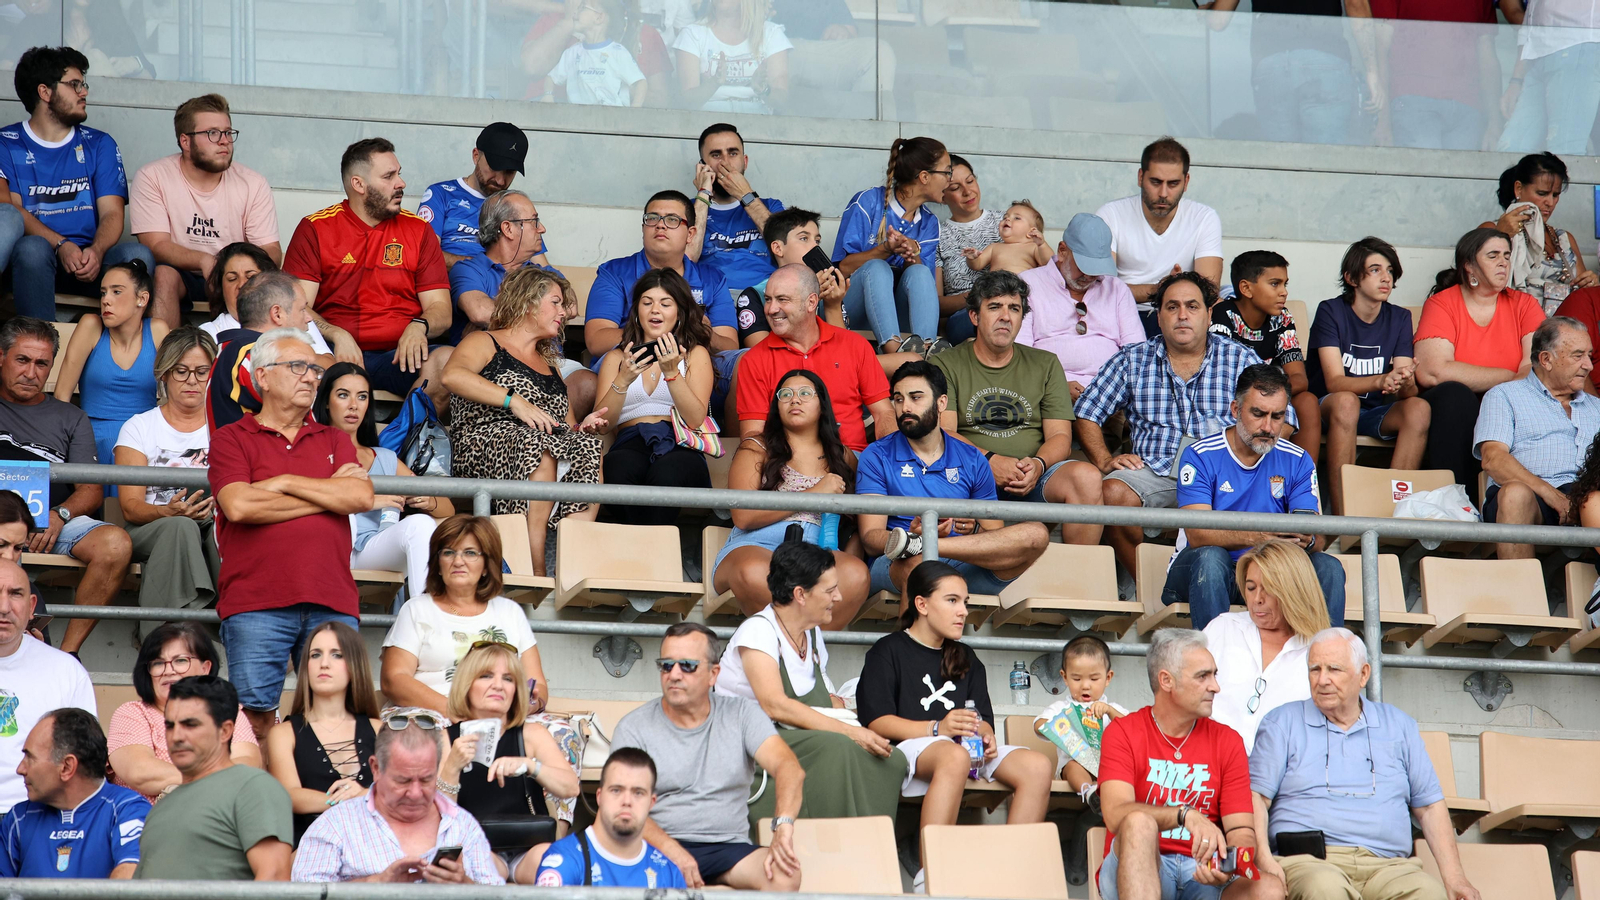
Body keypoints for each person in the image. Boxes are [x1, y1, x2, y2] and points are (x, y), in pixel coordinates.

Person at [210, 326, 375, 747]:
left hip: (331, 598)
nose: (311, 377)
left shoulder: (333, 437)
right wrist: (327, 495)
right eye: (298, 366)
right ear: (262, 376)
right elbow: (239, 506)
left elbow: (359, 496)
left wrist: (283, 483)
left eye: (314, 370)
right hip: (256, 601)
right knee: (252, 721)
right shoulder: (231, 438)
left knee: (336, 720)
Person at [857, 561, 1054, 892]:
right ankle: (931, 876)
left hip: (961, 748)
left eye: (965, 601)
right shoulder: (888, 650)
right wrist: (937, 729)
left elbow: (983, 719)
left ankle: (1013, 876)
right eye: (952, 601)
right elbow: (877, 721)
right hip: (908, 748)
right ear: (921, 604)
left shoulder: (966, 656)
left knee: (1037, 766)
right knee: (954, 755)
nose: (963, 610)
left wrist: (987, 736)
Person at [1075, 272, 1283, 578]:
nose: (1182, 315)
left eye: (1192, 306)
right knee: (1113, 493)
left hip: (1223, 473)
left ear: (1209, 315)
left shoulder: (1239, 358)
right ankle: (1153, 587)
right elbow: (1086, 411)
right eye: (1172, 307)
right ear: (1158, 317)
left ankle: (1227, 583)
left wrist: (1247, 463)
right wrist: (1104, 460)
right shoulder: (1133, 359)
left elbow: (1286, 418)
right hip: (1157, 473)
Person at [379, 515, 580, 829]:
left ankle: (554, 836)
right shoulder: (417, 609)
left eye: (470, 553)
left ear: (487, 565)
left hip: (501, 712)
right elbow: (394, 679)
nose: (458, 560)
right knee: (417, 733)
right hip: (437, 710)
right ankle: (427, 832)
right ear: (437, 563)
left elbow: (537, 683)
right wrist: (456, 711)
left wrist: (527, 702)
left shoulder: (509, 612)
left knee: (561, 732)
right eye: (448, 552)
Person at [1251, 628, 1482, 900]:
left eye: (1334, 669)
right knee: (1325, 889)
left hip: (1388, 866)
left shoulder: (1399, 725)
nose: (1322, 680)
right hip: (1310, 863)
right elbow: (1255, 798)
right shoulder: (1282, 723)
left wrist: (1455, 878)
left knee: (1428, 893)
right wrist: (1264, 859)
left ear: (1363, 674)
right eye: (1315, 669)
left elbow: (1430, 807)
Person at [715, 540, 908, 822]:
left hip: (794, 734)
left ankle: (870, 841)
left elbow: (819, 696)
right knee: (838, 747)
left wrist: (852, 717)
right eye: (830, 590)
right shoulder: (758, 631)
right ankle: (834, 840)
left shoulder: (812, 634)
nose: (838, 597)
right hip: (752, 744)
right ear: (800, 594)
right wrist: (851, 732)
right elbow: (775, 705)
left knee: (891, 759)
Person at [611, 622, 803, 891]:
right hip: (655, 846)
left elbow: (788, 767)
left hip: (729, 847)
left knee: (785, 875)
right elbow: (622, 805)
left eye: (687, 665)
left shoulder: (742, 714)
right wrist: (674, 853)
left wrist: (783, 826)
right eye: (666, 665)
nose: (674, 674)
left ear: (714, 674)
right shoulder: (634, 727)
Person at [443, 268, 606, 575]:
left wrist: (582, 427)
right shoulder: (485, 341)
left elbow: (565, 424)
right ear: (528, 303)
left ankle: (572, 565)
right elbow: (452, 376)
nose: (563, 312)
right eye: (555, 302)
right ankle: (534, 568)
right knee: (538, 445)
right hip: (481, 444)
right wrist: (514, 401)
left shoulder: (550, 365)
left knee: (587, 446)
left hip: (534, 444)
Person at [1095, 629, 1275, 900]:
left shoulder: (1228, 741)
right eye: (1203, 676)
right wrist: (1185, 815)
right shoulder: (1123, 732)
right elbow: (1115, 814)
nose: (1215, 687)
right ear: (1166, 680)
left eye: (1214, 675)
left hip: (1204, 874)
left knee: (1269, 889)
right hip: (1143, 864)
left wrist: (1228, 865)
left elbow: (1240, 830)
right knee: (1138, 823)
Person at [1166, 365, 1345, 630]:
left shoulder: (1297, 459)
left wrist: (1306, 539)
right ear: (1236, 410)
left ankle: (1326, 653)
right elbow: (1198, 534)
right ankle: (1212, 655)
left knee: (1328, 567)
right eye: (1258, 414)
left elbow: (1316, 536)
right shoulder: (1200, 454)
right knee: (1211, 559)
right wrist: (1260, 537)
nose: (1268, 427)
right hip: (1207, 572)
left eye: (1277, 416)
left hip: (1272, 574)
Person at [934, 270, 1103, 546]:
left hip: (1032, 475)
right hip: (969, 475)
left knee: (1086, 477)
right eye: (994, 307)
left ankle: (1077, 571)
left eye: (1014, 308)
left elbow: (1060, 436)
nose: (1006, 316)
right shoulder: (945, 364)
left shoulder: (1046, 364)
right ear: (974, 316)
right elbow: (945, 433)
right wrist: (990, 461)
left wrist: (1037, 465)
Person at [857, 361, 1050, 603]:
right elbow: (871, 538)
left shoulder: (972, 459)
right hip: (899, 561)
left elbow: (995, 537)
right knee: (921, 567)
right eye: (898, 399)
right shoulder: (876, 455)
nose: (905, 407)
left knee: (1036, 534)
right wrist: (910, 539)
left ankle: (927, 546)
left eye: (916, 397)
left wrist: (971, 530)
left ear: (941, 403)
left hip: (962, 561)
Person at [282, 138, 453, 408]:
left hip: (399, 355)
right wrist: (337, 334)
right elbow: (294, 307)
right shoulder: (315, 228)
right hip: (332, 352)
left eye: (399, 173)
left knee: (451, 362)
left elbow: (442, 310)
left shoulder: (419, 230)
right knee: (290, 363)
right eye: (389, 176)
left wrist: (419, 325)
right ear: (359, 184)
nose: (401, 183)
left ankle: (402, 433)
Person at [0, 317, 132, 656]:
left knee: (115, 544)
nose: (31, 372)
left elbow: (91, 489)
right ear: (1, 356)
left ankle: (67, 655)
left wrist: (60, 515)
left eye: (42, 363)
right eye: (22, 360)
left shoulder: (70, 417)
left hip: (50, 522)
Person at [1, 46, 161, 324]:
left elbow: (112, 214)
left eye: (83, 84)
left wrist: (96, 251)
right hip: (33, 264)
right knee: (32, 248)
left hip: (91, 262)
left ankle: (122, 348)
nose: (84, 92)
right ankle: (41, 342)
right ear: (45, 92)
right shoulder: (7, 142)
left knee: (137, 254)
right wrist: (61, 245)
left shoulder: (99, 143)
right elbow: (9, 209)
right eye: (75, 84)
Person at [717, 370, 870, 623]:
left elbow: (856, 521)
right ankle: (795, 642)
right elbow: (743, 516)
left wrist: (847, 556)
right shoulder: (757, 446)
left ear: (822, 404)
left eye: (805, 393)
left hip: (818, 553)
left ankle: (804, 645)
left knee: (856, 574)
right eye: (785, 394)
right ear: (777, 406)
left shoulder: (843, 457)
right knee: (754, 571)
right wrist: (813, 494)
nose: (794, 399)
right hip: (758, 545)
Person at [290, 708, 500, 883]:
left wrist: (465, 886)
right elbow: (305, 896)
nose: (415, 794)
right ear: (375, 768)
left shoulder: (462, 825)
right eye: (403, 781)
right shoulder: (334, 826)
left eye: (426, 780)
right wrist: (375, 884)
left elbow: (498, 895)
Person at [1414, 228, 1543, 502]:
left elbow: (1535, 365)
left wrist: (1504, 388)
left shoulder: (1524, 305)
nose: (1503, 263)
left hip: (1508, 402)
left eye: (1506, 255)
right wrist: (1507, 376)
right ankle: (1457, 502)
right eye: (1493, 256)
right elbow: (1433, 371)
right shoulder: (1442, 304)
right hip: (1453, 406)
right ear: (1469, 266)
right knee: (1456, 395)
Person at [130, 93, 281, 317]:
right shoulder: (153, 176)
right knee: (163, 275)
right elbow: (156, 245)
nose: (224, 140)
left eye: (228, 132)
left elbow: (271, 250)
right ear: (185, 141)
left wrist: (235, 270)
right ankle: (166, 342)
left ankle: (240, 339)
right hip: (182, 273)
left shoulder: (253, 183)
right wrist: (204, 260)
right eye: (212, 133)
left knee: (252, 279)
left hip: (234, 273)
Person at [1309, 237, 1430, 516]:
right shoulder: (1331, 311)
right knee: (1346, 402)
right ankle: (1343, 521)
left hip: (1372, 412)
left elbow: (1407, 392)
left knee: (1419, 408)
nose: (1386, 278)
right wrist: (1381, 380)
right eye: (1375, 270)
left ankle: (1395, 517)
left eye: (1390, 271)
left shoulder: (1399, 317)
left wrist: (1405, 380)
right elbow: (1334, 382)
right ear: (1351, 278)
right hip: (1329, 408)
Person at [439, 643, 579, 882]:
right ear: (466, 685)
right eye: (486, 676)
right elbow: (439, 814)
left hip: (530, 846)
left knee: (557, 865)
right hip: (476, 846)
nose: (498, 685)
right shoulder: (446, 738)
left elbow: (571, 787)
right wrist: (452, 766)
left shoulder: (531, 734)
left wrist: (530, 766)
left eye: (508, 679)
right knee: (471, 865)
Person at [313, 362, 451, 599]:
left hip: (370, 550)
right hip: (326, 548)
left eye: (362, 396)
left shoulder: (385, 458)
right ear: (326, 401)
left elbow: (447, 508)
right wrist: (369, 500)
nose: (353, 405)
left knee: (421, 524)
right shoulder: (310, 450)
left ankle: (424, 613)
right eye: (343, 395)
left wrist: (429, 501)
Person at [134, 676, 293, 880]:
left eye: (190, 724)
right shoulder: (162, 807)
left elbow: (274, 877)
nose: (177, 736)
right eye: (170, 726)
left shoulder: (253, 787)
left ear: (225, 731)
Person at [594, 268, 715, 527]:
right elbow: (603, 424)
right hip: (629, 440)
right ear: (637, 311)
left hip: (680, 442)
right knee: (617, 468)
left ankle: (646, 543)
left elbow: (695, 419)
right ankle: (647, 542)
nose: (655, 310)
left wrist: (672, 374)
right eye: (647, 302)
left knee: (667, 473)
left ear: (679, 312)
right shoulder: (617, 358)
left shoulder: (695, 354)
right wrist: (623, 379)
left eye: (665, 303)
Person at [1475, 316, 1600, 560]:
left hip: (1590, 500)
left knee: (1594, 501)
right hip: (1532, 498)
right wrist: (1553, 496)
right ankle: (1518, 585)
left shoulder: (1597, 408)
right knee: (1515, 494)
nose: (1588, 366)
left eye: (1589, 355)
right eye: (1577, 356)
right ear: (1546, 359)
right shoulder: (1504, 396)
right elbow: (1493, 459)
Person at [113, 327, 220, 610]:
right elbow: (130, 508)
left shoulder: (227, 428)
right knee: (181, 527)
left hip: (211, 524)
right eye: (181, 371)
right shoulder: (139, 427)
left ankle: (231, 617)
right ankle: (174, 624)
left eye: (202, 372)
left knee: (223, 529)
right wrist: (167, 512)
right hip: (151, 527)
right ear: (164, 374)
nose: (192, 381)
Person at [735, 264, 892, 452]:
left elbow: (884, 413)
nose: (771, 309)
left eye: (782, 299)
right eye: (768, 299)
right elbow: (753, 435)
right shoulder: (754, 360)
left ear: (811, 302)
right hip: (787, 462)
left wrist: (890, 462)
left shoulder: (855, 345)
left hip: (850, 459)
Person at [107, 622, 262, 802]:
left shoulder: (228, 712)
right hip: (149, 816)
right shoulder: (132, 713)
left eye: (180, 660)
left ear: (205, 668)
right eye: (158, 663)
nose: (168, 671)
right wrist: (216, 776)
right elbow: (141, 773)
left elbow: (248, 764)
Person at [1200, 540, 1330, 754]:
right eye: (1251, 588)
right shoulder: (1223, 628)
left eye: (1268, 589)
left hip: (1283, 770)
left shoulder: (1321, 650)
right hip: (1210, 761)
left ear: (1294, 591)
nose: (1257, 599)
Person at [585, 190, 738, 363]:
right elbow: (596, 341)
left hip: (696, 364)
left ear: (690, 234)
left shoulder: (712, 279)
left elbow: (730, 346)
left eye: (672, 219)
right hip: (633, 361)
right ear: (643, 229)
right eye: (652, 218)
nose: (660, 225)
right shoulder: (614, 272)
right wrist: (659, 332)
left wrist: (704, 332)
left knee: (741, 360)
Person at [1094, 138, 1224, 337]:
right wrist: (1159, 289)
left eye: (1173, 184)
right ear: (1140, 177)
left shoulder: (1204, 218)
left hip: (1179, 315)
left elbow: (1209, 292)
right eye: (1155, 182)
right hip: (1122, 312)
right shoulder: (1110, 214)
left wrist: (1168, 293)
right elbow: (1102, 288)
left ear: (1186, 182)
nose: (1163, 193)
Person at [265, 622, 381, 845]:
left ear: (354, 664)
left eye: (337, 655)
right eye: (315, 655)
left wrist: (363, 795)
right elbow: (290, 795)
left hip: (373, 843)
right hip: (312, 844)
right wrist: (356, 799)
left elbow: (396, 792)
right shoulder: (283, 733)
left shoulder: (378, 729)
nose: (324, 663)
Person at [50, 259, 169, 475]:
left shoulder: (158, 330)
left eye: (116, 292)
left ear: (142, 299)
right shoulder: (91, 325)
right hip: (92, 439)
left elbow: (174, 395)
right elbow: (61, 396)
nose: (106, 300)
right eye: (103, 293)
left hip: (145, 439)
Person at [1207, 0, 1380, 147]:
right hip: (1323, 63)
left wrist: (1208, 10)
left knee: (1283, 163)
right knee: (1325, 161)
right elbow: (1356, 4)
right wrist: (1372, 71)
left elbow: (1217, 21)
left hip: (1272, 68)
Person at [833, 136, 948, 353]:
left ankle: (926, 349)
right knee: (878, 267)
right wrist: (885, 249)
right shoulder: (868, 202)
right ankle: (893, 350)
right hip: (850, 310)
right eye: (947, 172)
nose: (950, 180)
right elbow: (842, 269)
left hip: (897, 315)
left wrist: (912, 253)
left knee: (920, 272)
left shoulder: (929, 222)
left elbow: (923, 289)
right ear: (925, 177)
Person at [3, 709, 149, 878]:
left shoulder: (127, 809)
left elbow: (131, 877)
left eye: (30, 758)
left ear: (67, 767)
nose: (20, 769)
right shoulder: (18, 818)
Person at [0, 559, 96, 813]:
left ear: (32, 606)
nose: (4, 607)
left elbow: (85, 760)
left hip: (41, 813)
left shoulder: (66, 670)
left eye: (15, 594)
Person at [1017, 212, 1144, 400]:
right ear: (1062, 251)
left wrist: (1114, 391)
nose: (1090, 276)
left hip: (1111, 393)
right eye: (1084, 267)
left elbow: (1137, 354)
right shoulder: (1027, 284)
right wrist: (1056, 385)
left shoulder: (1117, 289)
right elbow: (1019, 352)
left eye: (1097, 268)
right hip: (1048, 392)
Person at [1210, 251, 1320, 457]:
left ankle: (1306, 475)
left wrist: (1269, 394)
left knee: (1307, 401)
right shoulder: (1223, 315)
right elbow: (1221, 380)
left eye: (1285, 284)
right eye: (1275, 284)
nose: (1284, 292)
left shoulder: (1282, 318)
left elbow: (1299, 378)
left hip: (1273, 396)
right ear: (1246, 288)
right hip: (1232, 398)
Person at [533, 748, 688, 887]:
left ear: (651, 802)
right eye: (616, 790)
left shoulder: (669, 873)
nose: (627, 801)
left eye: (638, 793)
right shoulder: (565, 859)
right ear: (599, 797)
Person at [206, 271, 331, 433]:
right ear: (277, 314)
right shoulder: (248, 355)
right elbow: (293, 408)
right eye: (302, 309)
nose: (308, 318)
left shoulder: (237, 351)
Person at [1481, 153, 1597, 315]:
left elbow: (1584, 292)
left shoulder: (1564, 239)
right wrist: (1501, 236)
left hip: (1567, 327)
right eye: (1542, 193)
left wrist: (1592, 284)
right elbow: (1472, 280)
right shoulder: (1491, 229)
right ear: (1518, 189)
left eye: (1555, 195)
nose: (1550, 202)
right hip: (1516, 324)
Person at [1031, 635, 1128, 812]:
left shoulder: (1111, 709)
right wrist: (1061, 724)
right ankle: (1089, 793)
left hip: (1108, 768)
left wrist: (1109, 711)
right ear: (1064, 677)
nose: (1085, 686)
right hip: (1074, 769)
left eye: (1094, 679)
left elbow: (1132, 728)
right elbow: (1039, 725)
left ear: (1108, 678)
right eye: (1076, 679)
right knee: (1073, 765)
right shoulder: (1062, 708)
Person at [518, 0, 674, 108]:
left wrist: (616, 87)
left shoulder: (644, 34)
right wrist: (568, 22)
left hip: (614, 120)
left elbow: (661, 103)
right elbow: (531, 67)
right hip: (554, 113)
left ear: (601, 16)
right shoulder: (558, 19)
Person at [731, 207, 849, 348]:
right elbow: (760, 356)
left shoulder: (828, 290)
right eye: (804, 238)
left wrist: (832, 305)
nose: (814, 246)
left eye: (817, 241)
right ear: (778, 248)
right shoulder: (755, 295)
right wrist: (804, 298)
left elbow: (844, 353)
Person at [417, 122, 533, 267]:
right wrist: (482, 268)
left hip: (507, 281)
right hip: (452, 280)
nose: (500, 181)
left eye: (509, 172)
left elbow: (540, 263)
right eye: (494, 167)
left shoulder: (516, 206)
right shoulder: (441, 194)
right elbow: (424, 254)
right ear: (476, 156)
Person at [688, 123, 785, 293]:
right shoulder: (688, 208)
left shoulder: (771, 206)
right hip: (709, 297)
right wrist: (703, 194)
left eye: (733, 153)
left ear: (745, 162)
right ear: (702, 166)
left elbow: (788, 251)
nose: (725, 162)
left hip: (766, 297)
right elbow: (686, 259)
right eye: (716, 155)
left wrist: (745, 194)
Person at [446, 190, 555, 342]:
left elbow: (570, 307)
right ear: (508, 229)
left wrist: (495, 323)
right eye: (534, 221)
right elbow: (480, 312)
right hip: (488, 356)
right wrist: (541, 317)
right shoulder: (466, 270)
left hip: (545, 357)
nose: (542, 228)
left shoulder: (543, 272)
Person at [1496, 0, 1600, 155]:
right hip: (1536, 56)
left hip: (1577, 43)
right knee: (1511, 150)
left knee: (1564, 151)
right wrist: (1517, 79)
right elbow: (1531, 18)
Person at [200, 243, 333, 355]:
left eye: (251, 277)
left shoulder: (298, 317)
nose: (242, 284)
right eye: (232, 279)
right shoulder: (209, 332)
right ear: (221, 288)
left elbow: (328, 363)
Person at [768, 0, 894, 117]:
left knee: (878, 53)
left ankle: (866, 131)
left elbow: (851, 33)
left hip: (817, 54)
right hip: (769, 45)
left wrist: (842, 31)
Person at [673, 0, 792, 114]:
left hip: (758, 120)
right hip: (707, 119)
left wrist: (763, 90)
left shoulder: (771, 34)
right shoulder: (692, 34)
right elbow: (687, 102)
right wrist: (714, 83)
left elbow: (782, 101)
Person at [936, 155, 1003, 345]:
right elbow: (937, 304)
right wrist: (980, 295)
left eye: (970, 181)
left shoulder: (1006, 222)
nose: (967, 192)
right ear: (942, 196)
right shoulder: (937, 236)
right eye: (955, 188)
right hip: (964, 317)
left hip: (1009, 306)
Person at [544, 0, 649, 106]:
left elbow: (640, 83)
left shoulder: (618, 53)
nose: (574, 12)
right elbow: (551, 78)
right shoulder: (572, 53)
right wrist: (548, 95)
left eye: (582, 8)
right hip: (577, 115)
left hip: (611, 115)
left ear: (599, 18)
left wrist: (634, 110)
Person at [962, 201, 1053, 277]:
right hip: (995, 286)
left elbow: (1049, 263)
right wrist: (972, 258)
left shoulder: (1033, 247)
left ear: (1031, 231)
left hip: (1021, 286)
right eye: (1005, 217)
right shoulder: (994, 247)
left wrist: (1042, 245)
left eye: (1017, 218)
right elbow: (977, 265)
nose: (1008, 219)